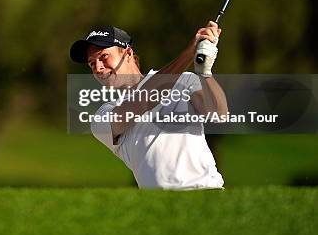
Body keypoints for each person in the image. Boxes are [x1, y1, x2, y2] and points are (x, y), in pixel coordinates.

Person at [69, 21, 228, 189]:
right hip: (157, 205)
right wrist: (190, 52)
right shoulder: (103, 116)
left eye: (103, 57)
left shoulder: (184, 80)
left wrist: (205, 74)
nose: (98, 68)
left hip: (206, 190)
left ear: (128, 53)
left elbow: (219, 115)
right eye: (92, 63)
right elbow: (144, 100)